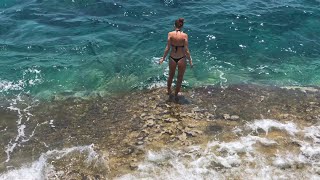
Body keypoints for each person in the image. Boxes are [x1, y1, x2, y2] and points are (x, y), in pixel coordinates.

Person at [159, 18, 193, 101]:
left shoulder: (170, 34)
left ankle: (169, 91)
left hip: (172, 58)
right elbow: (186, 50)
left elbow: (167, 47)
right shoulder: (185, 35)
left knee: (171, 75)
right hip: (181, 58)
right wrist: (190, 60)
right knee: (180, 77)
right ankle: (176, 94)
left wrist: (163, 58)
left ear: (174, 25)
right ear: (182, 26)